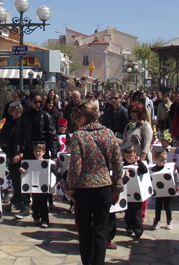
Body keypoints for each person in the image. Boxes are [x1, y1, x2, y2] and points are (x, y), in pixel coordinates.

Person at [64, 101, 123, 265]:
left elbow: (75, 166)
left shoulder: (79, 136)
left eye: (76, 118)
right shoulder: (108, 133)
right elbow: (118, 163)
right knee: (100, 231)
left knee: (84, 232)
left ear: (83, 118)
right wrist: (117, 186)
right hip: (104, 187)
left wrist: (69, 187)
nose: (75, 121)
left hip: (84, 189)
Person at [13, 91, 57, 219]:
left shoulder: (46, 116)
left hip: (42, 151)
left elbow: (52, 136)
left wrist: (53, 154)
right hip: (28, 150)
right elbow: (19, 136)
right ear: (30, 102)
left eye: (40, 102)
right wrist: (17, 152)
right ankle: (26, 206)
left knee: (42, 180)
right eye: (36, 102)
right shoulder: (25, 117)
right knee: (26, 178)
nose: (38, 104)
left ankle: (42, 211)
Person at [0, 101, 23, 210]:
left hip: (20, 154)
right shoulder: (7, 123)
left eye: (19, 112)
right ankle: (16, 199)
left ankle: (19, 200)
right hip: (10, 153)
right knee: (14, 178)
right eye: (15, 113)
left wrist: (20, 153)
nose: (17, 115)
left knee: (20, 180)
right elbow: (3, 137)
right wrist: (3, 145)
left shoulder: (22, 123)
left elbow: (23, 139)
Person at [21, 143, 54, 228]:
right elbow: (25, 172)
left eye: (39, 151)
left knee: (43, 204)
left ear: (44, 152)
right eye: (36, 151)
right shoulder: (31, 163)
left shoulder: (47, 163)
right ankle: (36, 217)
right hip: (34, 187)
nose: (38, 153)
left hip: (44, 188)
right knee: (35, 204)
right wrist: (22, 170)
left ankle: (45, 220)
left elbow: (53, 171)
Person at [120, 144, 147, 238]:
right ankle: (129, 227)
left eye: (131, 156)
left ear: (135, 154)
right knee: (128, 212)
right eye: (127, 157)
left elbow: (145, 170)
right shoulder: (123, 165)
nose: (129, 158)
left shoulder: (137, 164)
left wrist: (139, 161)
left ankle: (138, 229)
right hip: (127, 192)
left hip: (137, 192)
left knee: (137, 212)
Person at [150, 147, 179, 230]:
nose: (164, 162)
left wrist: (178, 184)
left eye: (165, 160)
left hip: (168, 190)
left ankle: (169, 220)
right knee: (158, 206)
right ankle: (157, 220)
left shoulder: (170, 167)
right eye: (161, 160)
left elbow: (176, 175)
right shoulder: (153, 169)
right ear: (156, 159)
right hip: (158, 191)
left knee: (167, 206)